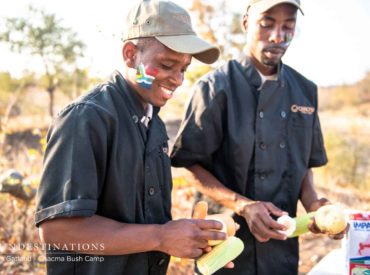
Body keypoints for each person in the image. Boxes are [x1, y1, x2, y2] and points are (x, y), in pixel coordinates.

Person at [35, 1, 227, 274]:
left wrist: (187, 236)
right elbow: (58, 230)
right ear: (130, 55)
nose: (177, 79)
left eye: (183, 68)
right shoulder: (86, 118)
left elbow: (145, 222)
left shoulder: (154, 123)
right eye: (167, 64)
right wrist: (161, 237)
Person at [170, 0, 347, 274]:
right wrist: (244, 205)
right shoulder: (215, 87)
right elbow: (190, 166)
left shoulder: (305, 91)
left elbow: (302, 167)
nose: (278, 36)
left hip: (281, 249)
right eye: (266, 24)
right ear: (245, 23)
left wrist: (315, 206)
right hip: (223, 244)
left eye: (288, 25)